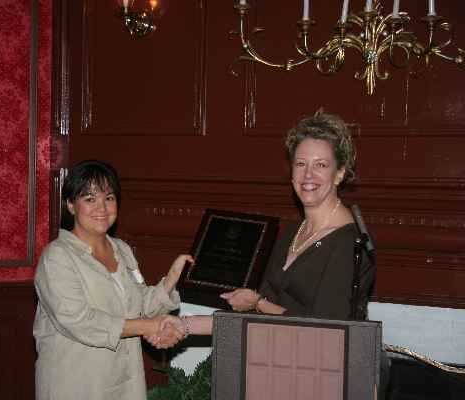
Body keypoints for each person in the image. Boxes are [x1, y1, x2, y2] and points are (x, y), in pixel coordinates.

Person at [155, 111, 374, 338]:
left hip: (316, 370)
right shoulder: (292, 232)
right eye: (300, 163)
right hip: (272, 359)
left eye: (320, 165)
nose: (308, 174)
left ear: (339, 173)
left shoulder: (349, 242)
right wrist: (184, 326)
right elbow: (257, 319)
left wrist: (259, 303)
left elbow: (327, 330)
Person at [33, 160, 190, 400]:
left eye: (109, 198)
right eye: (90, 199)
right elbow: (79, 321)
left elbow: (140, 306)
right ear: (70, 205)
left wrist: (169, 281)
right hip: (76, 382)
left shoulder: (122, 250)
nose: (102, 208)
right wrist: (150, 326)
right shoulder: (56, 257)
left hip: (125, 380)